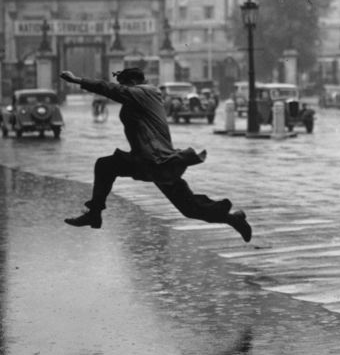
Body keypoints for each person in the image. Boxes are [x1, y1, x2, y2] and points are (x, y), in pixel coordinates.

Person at [59, 67, 252, 241]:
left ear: (133, 83)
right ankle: (234, 219)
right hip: (153, 161)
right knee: (190, 208)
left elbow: (111, 89)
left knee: (105, 165)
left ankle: (94, 214)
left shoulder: (143, 92)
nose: (123, 89)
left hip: (156, 161)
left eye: (124, 84)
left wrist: (77, 80)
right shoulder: (144, 95)